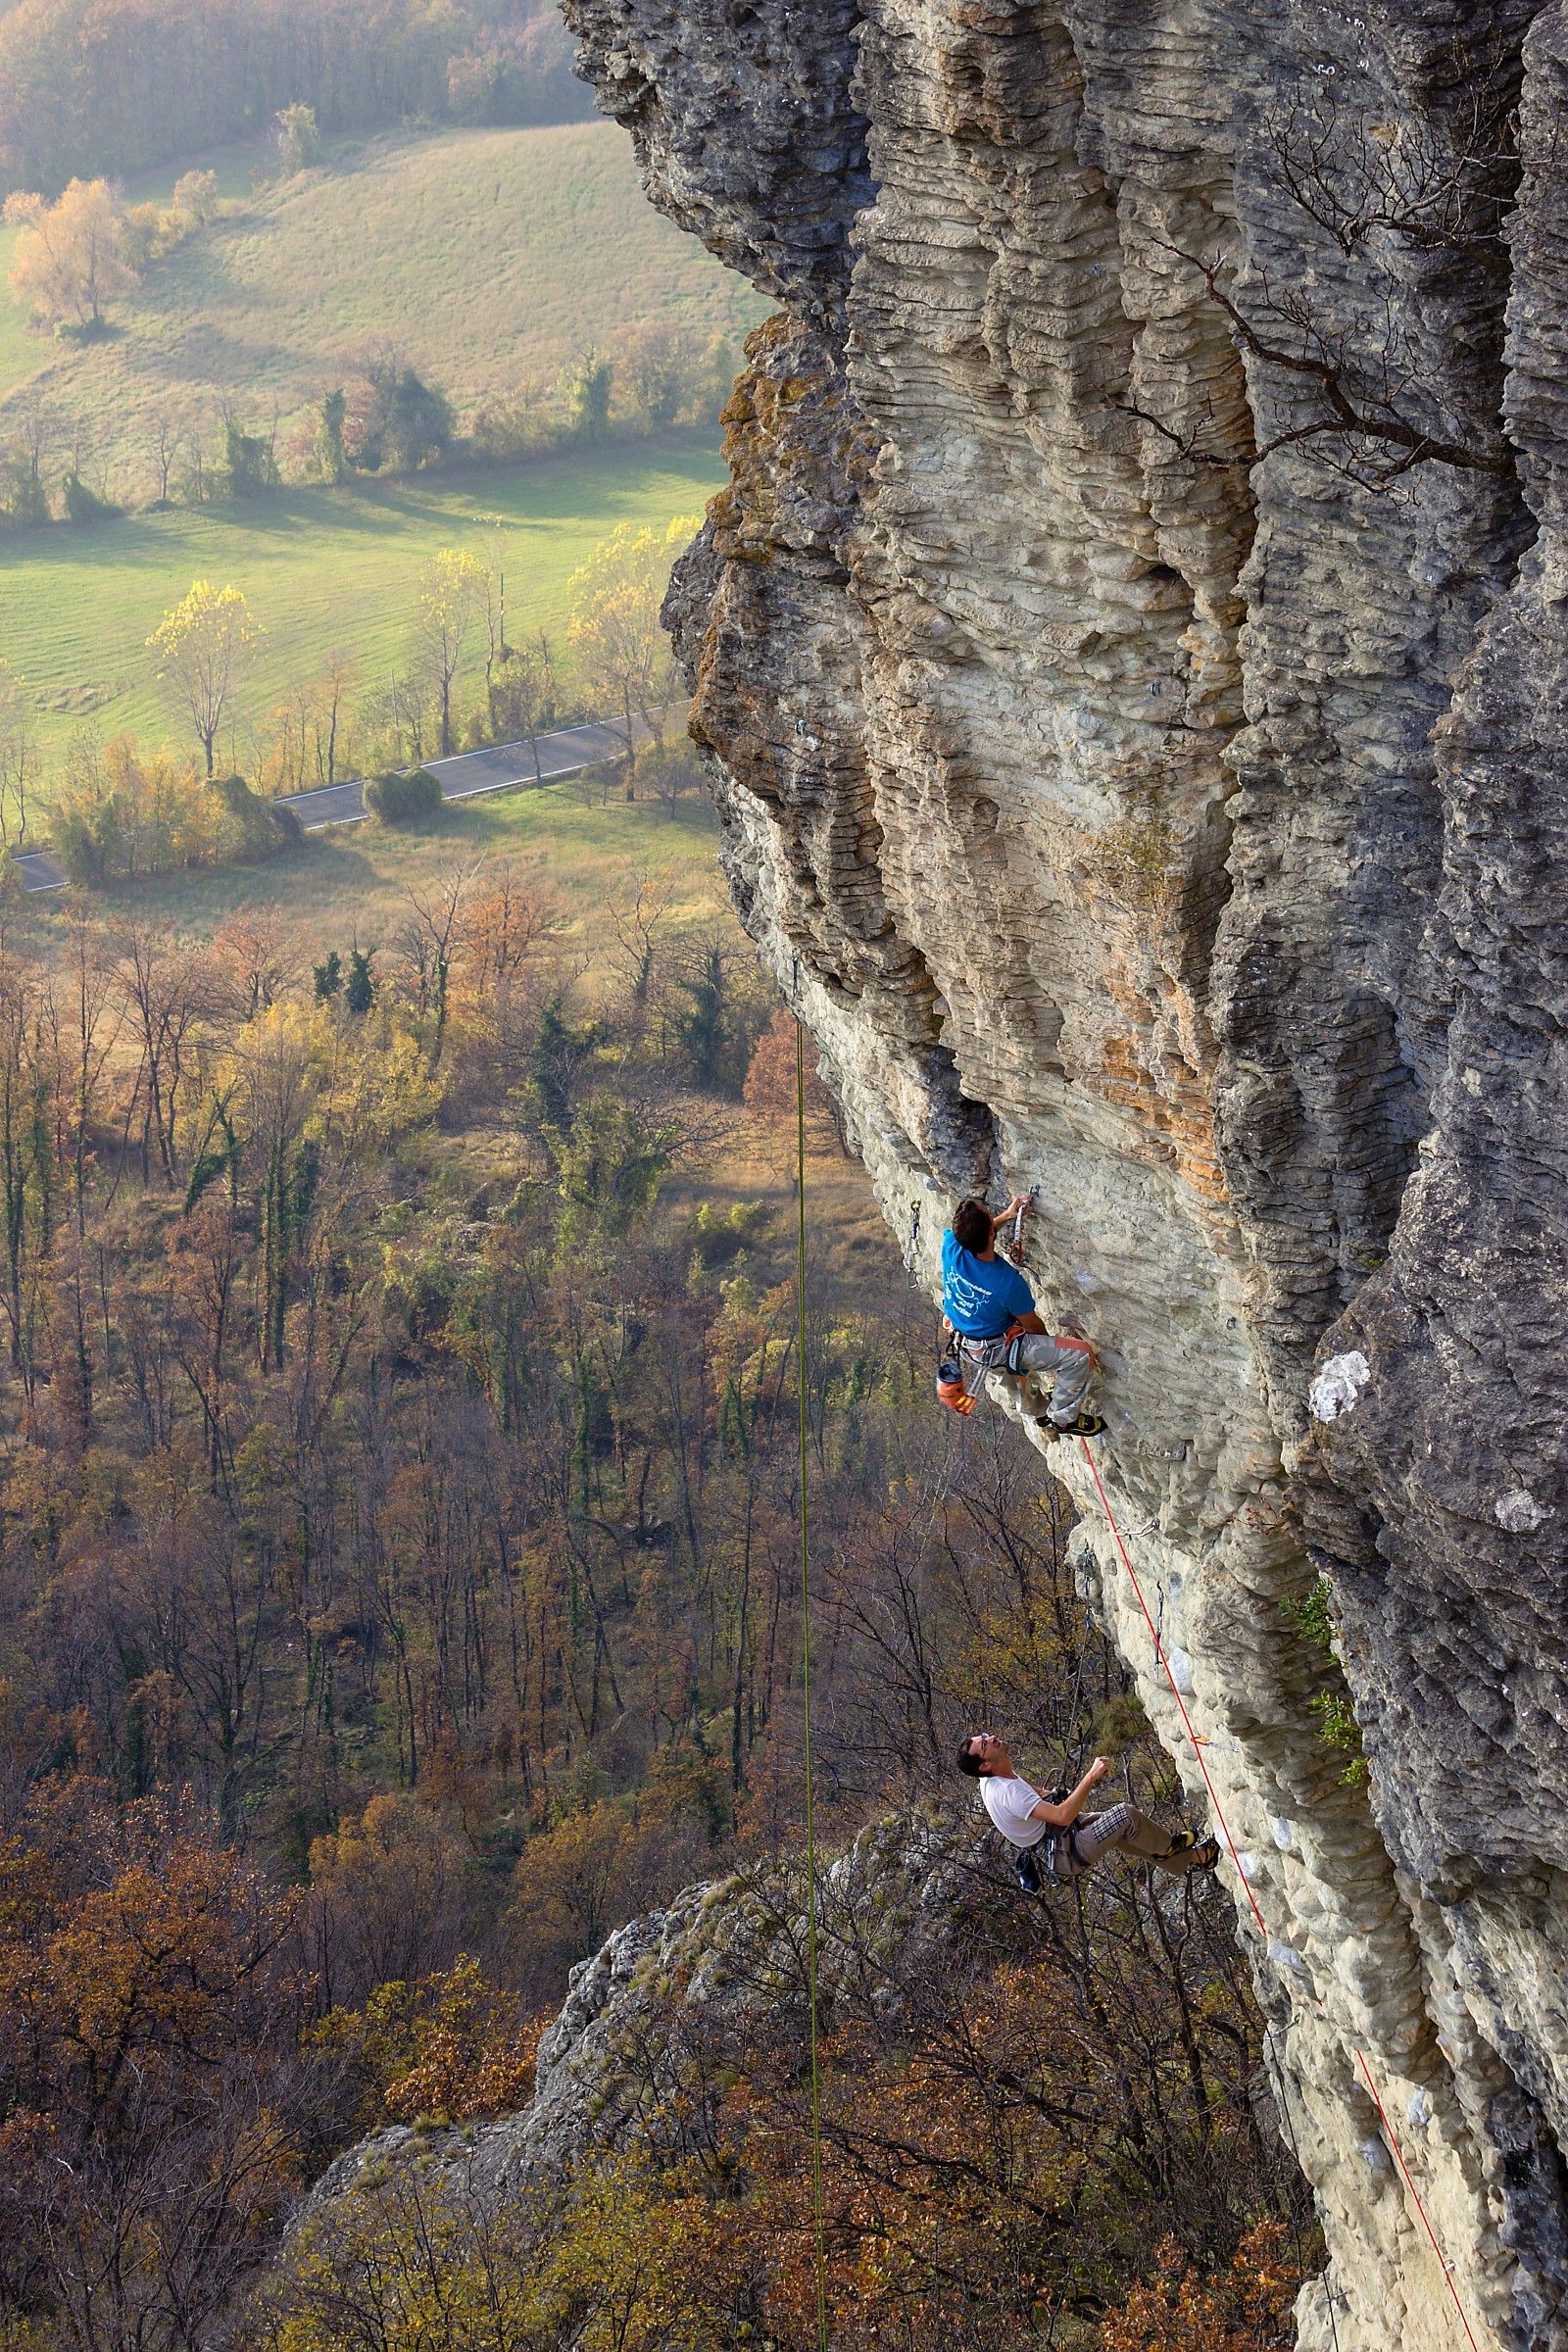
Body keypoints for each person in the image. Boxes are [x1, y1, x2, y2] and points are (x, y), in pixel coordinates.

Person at [957, 1731, 1218, 1891]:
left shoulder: (993, 1778)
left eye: (984, 1737)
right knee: (1125, 1816)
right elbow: (1061, 1815)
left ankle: (1199, 1857)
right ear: (984, 1766)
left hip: (1057, 1835)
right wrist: (1090, 1776)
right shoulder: (1007, 1792)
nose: (990, 1739)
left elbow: (1028, 1794)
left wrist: (1050, 1794)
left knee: (1126, 1833)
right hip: (1065, 1851)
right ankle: (1169, 1847)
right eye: (984, 1745)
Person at [941, 1194, 1104, 1436]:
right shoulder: (1007, 1283)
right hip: (997, 1346)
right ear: (990, 1233)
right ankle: (1063, 1419)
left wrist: (1008, 1215)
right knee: (1080, 1355)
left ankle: (1039, 1413)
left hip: (967, 1342)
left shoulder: (951, 1245)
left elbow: (978, 1235)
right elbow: (1033, 1328)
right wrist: (1053, 1357)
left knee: (1009, 1376)